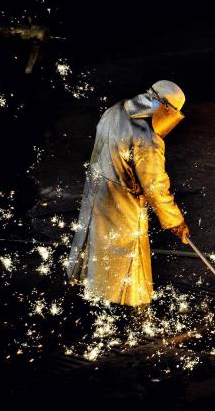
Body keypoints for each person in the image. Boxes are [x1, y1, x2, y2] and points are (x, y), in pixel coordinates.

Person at [66, 80, 190, 307]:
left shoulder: (114, 110)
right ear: (166, 110)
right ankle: (138, 319)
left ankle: (90, 306)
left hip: (95, 191)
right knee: (129, 263)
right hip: (121, 204)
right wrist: (175, 221)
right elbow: (155, 186)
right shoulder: (146, 137)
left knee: (92, 252)